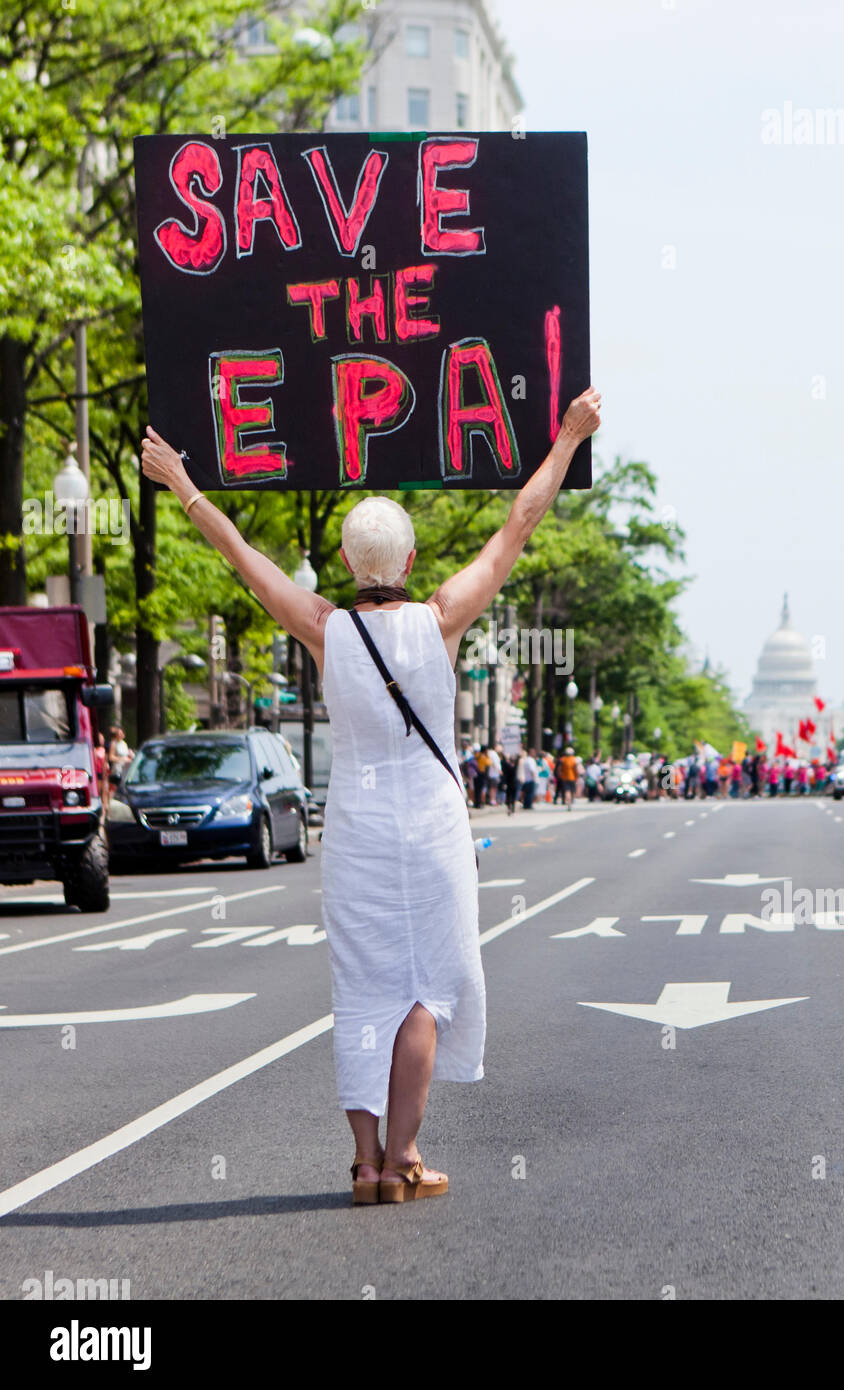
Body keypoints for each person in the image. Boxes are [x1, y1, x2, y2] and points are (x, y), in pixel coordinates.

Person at [140, 384, 601, 1205]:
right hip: (429, 830)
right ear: (411, 564)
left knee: (362, 986)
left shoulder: (322, 627)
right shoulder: (443, 617)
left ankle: (363, 1163)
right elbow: (516, 526)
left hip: (354, 832)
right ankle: (405, 1158)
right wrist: (565, 439)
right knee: (427, 986)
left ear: (350, 566)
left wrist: (182, 483)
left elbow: (242, 557)